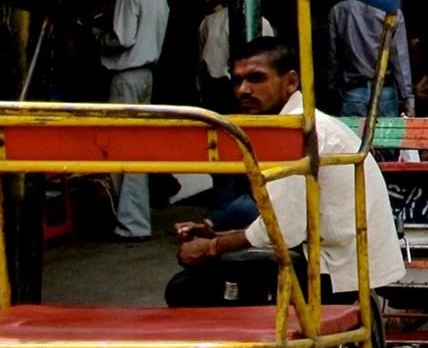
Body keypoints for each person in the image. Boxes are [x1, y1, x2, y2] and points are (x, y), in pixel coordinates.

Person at [168, 38, 406, 306]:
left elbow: (283, 230)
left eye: (256, 78)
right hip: (336, 258)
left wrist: (211, 248)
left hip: (336, 270)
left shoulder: (299, 133)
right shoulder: (296, 125)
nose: (243, 90)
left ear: (290, 82)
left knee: (184, 288)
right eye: (238, 81)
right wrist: (218, 237)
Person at [98, 0, 171, 241]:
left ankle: (131, 224)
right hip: (146, 74)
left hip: (127, 74)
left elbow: (122, 37)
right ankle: (132, 220)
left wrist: (99, 37)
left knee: (123, 147)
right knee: (135, 145)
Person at [326, 0, 415, 120]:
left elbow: (333, 59)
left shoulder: (338, 11)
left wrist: (332, 90)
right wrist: (408, 100)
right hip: (384, 93)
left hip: (353, 92)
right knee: (385, 138)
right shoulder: (391, 12)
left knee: (352, 138)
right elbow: (400, 59)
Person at [195, 3, 275, 107]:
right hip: (216, 94)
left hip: (252, 93)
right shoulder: (209, 22)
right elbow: (200, 69)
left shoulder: (262, 23)